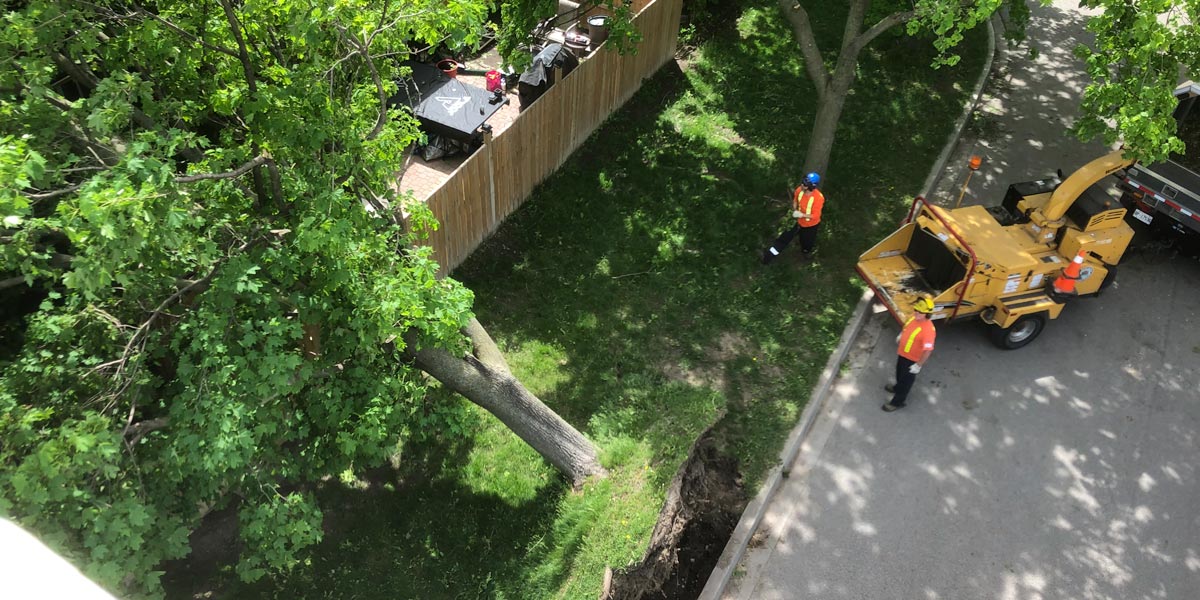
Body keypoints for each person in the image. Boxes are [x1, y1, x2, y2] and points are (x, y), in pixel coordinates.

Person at [882, 295, 937, 412]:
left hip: (912, 360)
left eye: (920, 312)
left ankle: (897, 402)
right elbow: (906, 327)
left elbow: (928, 350)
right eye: (916, 309)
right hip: (902, 354)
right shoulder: (914, 318)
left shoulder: (928, 330)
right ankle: (897, 387)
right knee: (899, 374)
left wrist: (918, 365)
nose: (916, 312)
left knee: (905, 382)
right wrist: (901, 335)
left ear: (927, 314)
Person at [761, 172, 824, 264]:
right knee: (784, 238)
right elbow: (795, 200)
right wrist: (795, 210)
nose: (802, 185)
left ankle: (806, 252)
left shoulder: (819, 198)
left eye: (805, 184)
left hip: (810, 226)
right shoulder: (799, 190)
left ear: (811, 186)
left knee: (807, 242)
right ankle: (768, 257)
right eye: (802, 183)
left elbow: (816, 215)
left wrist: (801, 215)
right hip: (797, 222)